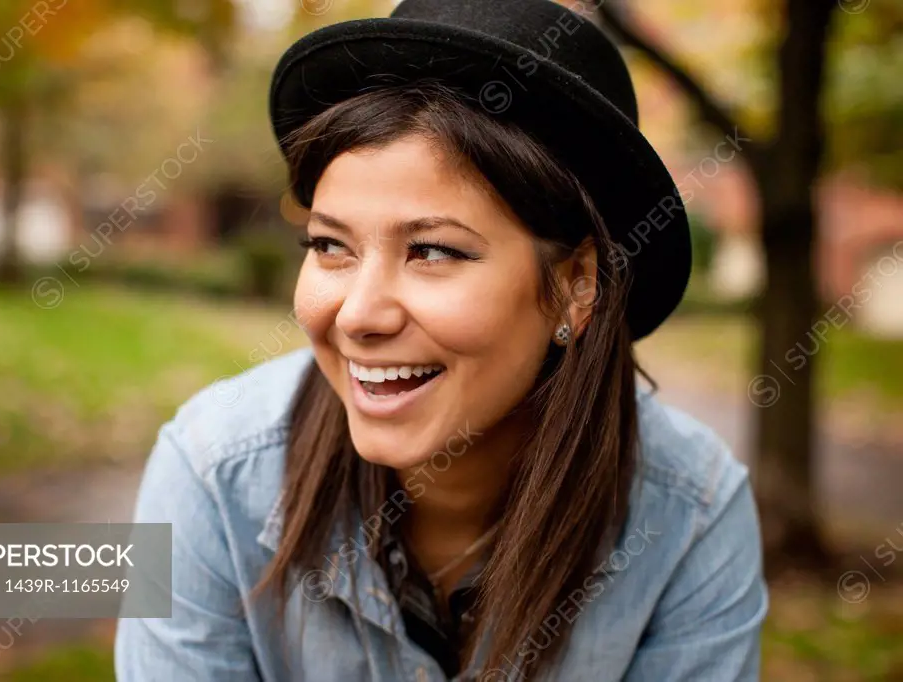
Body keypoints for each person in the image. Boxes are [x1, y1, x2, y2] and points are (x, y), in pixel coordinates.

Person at [114, 0, 768, 679]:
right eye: (330, 245)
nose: (360, 315)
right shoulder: (212, 473)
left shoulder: (691, 517)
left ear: (576, 284)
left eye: (432, 251)